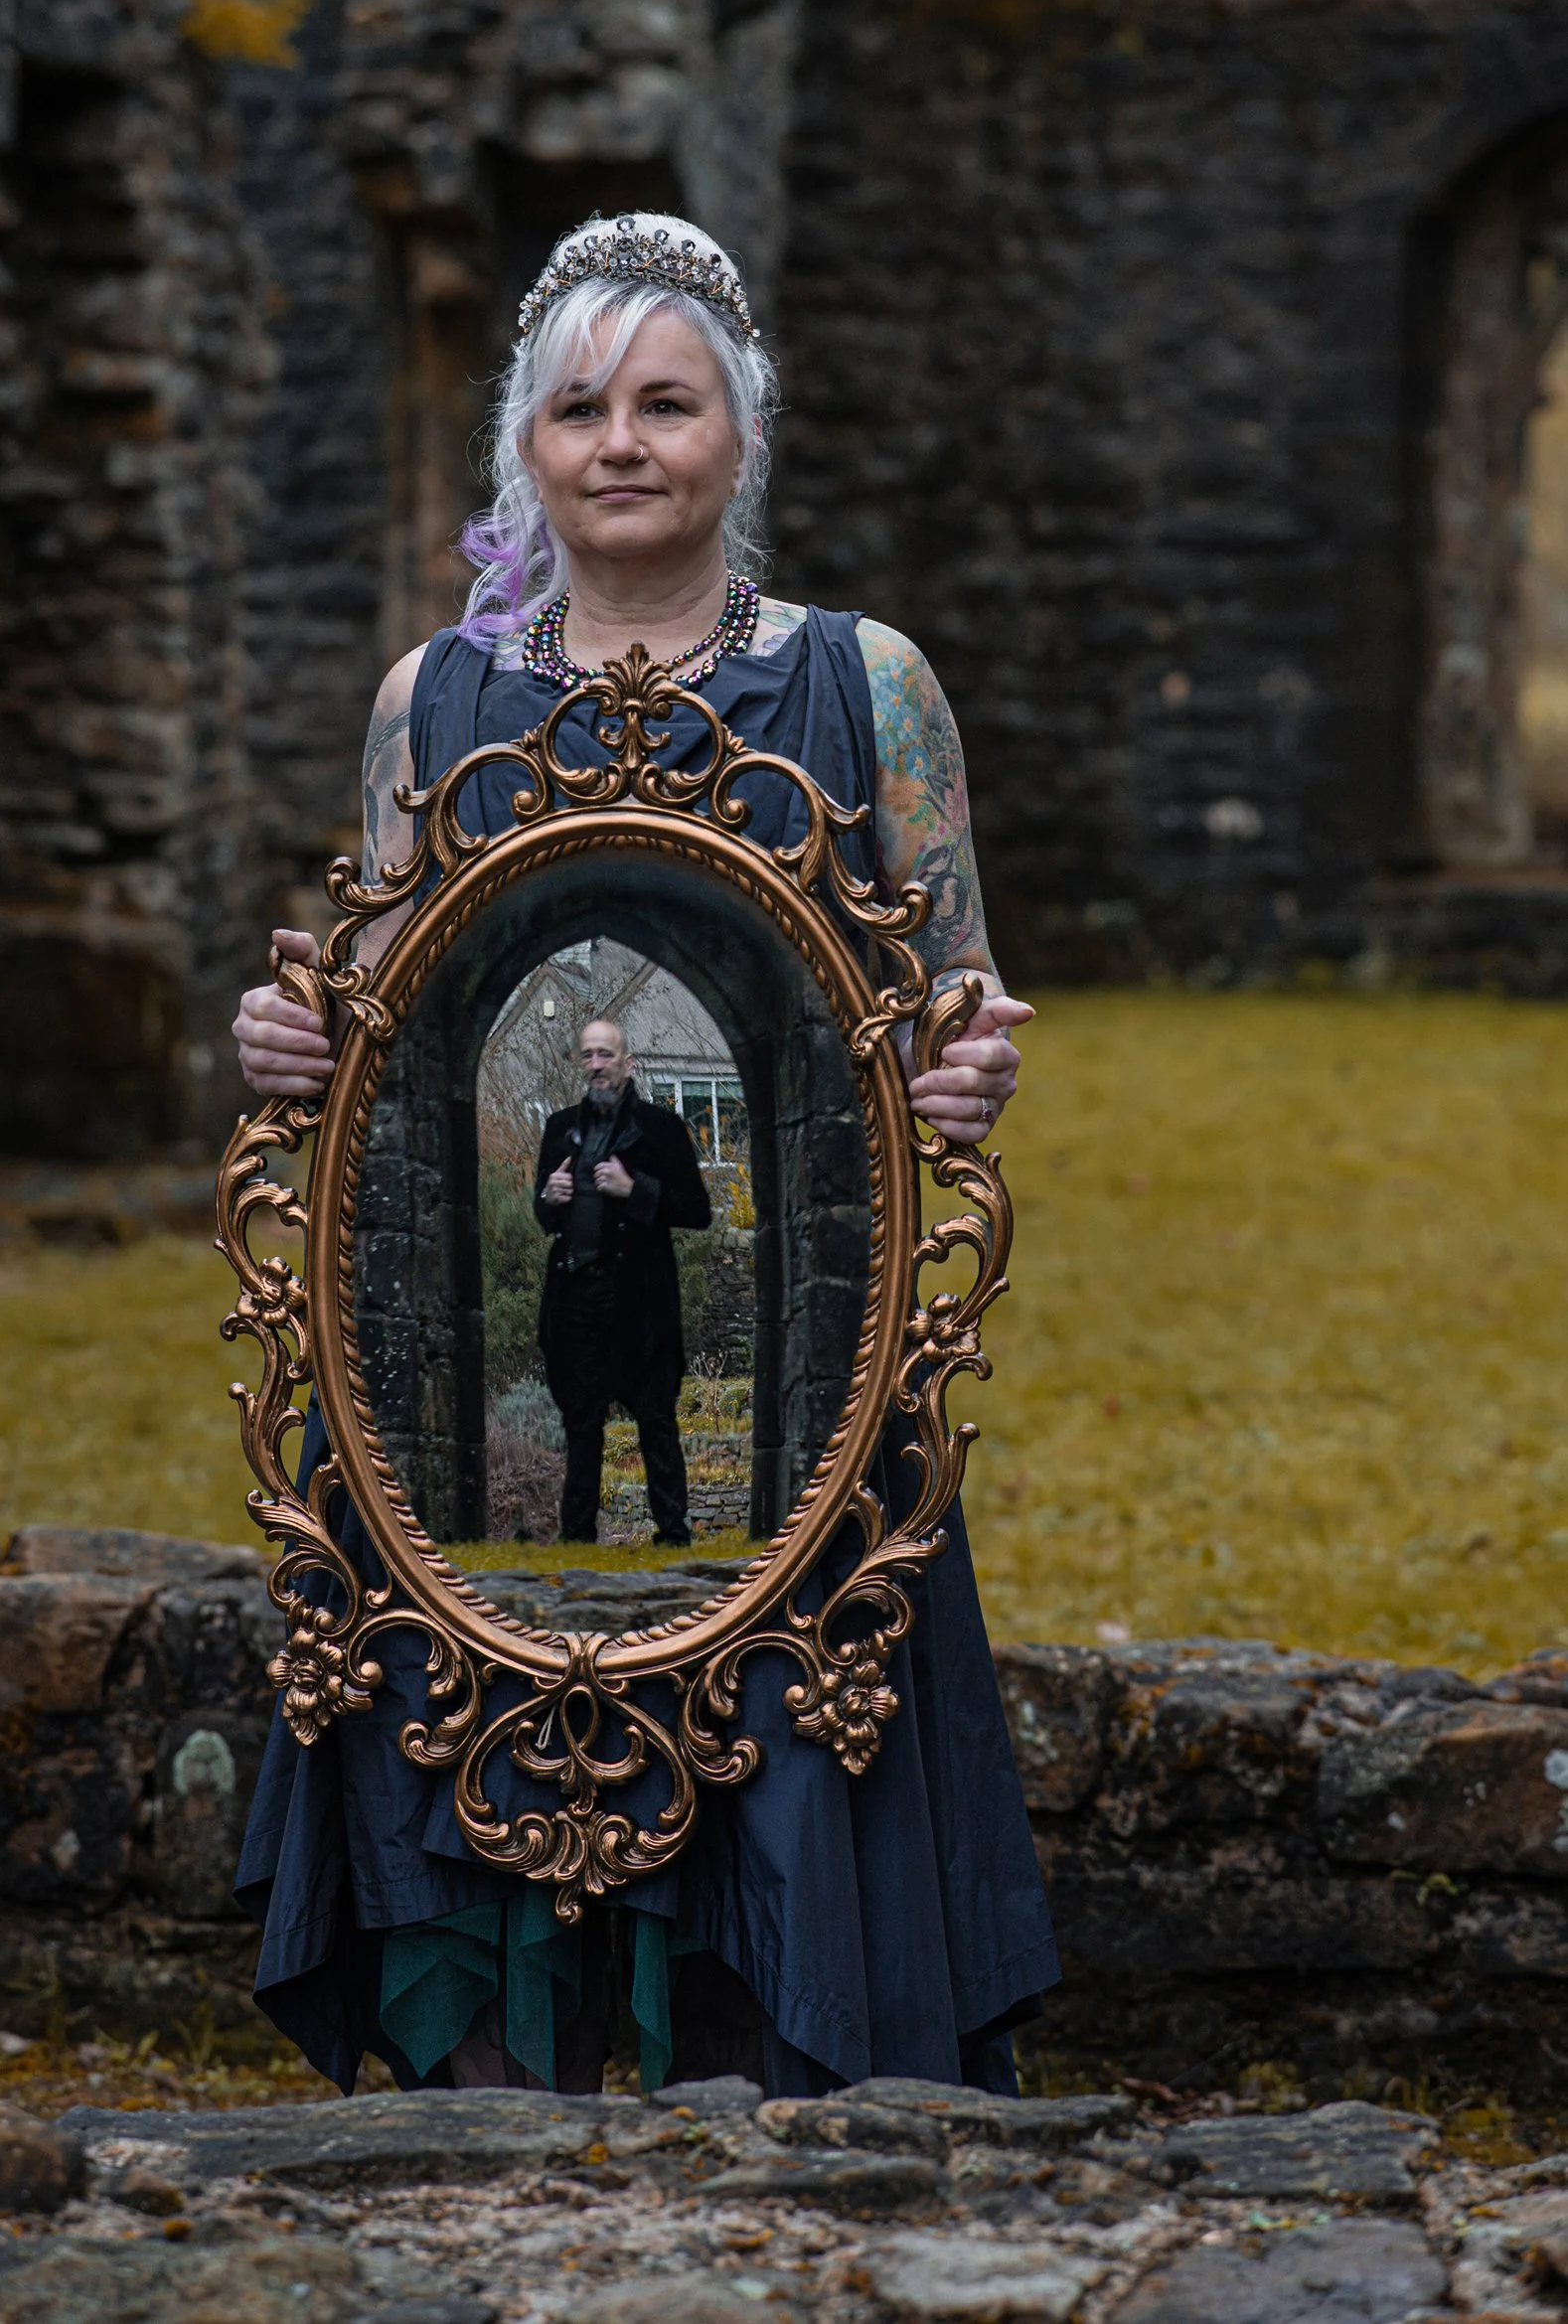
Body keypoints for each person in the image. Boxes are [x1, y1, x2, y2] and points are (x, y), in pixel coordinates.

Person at [232, 212, 1057, 2099]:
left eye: (665, 403)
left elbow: (955, 988)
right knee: (474, 1618)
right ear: (523, 448)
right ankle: (506, 2069)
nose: (620, 439)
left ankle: (779, 2047)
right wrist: (283, 1037)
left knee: (781, 1636)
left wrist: (964, 1069)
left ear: (737, 435)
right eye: (578, 406)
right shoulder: (431, 699)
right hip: (428, 1398)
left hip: (818, 1344)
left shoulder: (867, 686)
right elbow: (370, 1009)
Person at [536, 1015, 711, 1546]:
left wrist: (635, 1189)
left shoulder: (661, 1129)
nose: (596, 1065)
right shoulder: (558, 1127)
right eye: (587, 1055)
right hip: (577, 1299)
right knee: (581, 1426)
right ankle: (577, 1539)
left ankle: (674, 1537)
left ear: (627, 1062)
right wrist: (549, 1200)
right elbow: (545, 1220)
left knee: (656, 1419)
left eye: (606, 1054)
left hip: (641, 1302)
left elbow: (698, 1211)